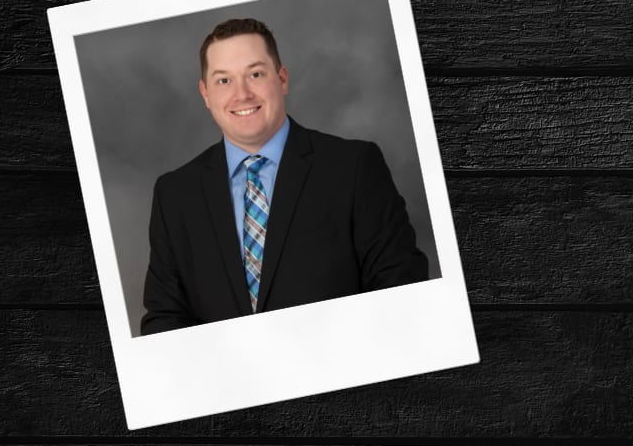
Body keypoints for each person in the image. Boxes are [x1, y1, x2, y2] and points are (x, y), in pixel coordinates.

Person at [140, 18, 428, 335]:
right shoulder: (175, 194)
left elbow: (402, 291)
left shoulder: (354, 167)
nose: (242, 94)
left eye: (256, 74)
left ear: (282, 79)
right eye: (224, 81)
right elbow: (164, 318)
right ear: (205, 93)